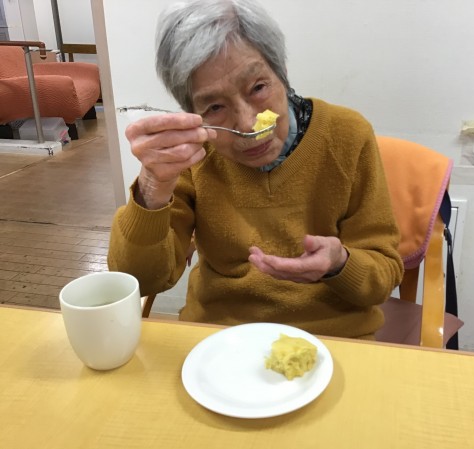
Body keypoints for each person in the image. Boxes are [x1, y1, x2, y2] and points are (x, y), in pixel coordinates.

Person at [107, 0, 403, 339]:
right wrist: (152, 187)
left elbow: (383, 274)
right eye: (214, 106)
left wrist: (339, 263)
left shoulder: (347, 136)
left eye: (258, 88)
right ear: (192, 113)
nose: (248, 125)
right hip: (220, 338)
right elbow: (137, 280)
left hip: (335, 338)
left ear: (282, 74)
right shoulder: (191, 155)